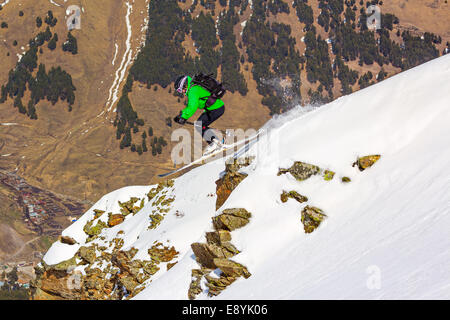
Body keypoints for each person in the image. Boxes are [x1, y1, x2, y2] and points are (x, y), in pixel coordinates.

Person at [173, 75, 225, 154]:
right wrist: (181, 115)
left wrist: (183, 117)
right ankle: (216, 142)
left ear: (185, 85)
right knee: (199, 125)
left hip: (216, 109)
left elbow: (193, 107)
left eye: (180, 90)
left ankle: (215, 143)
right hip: (213, 109)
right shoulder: (194, 87)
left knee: (199, 125)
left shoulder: (192, 91)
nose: (181, 92)